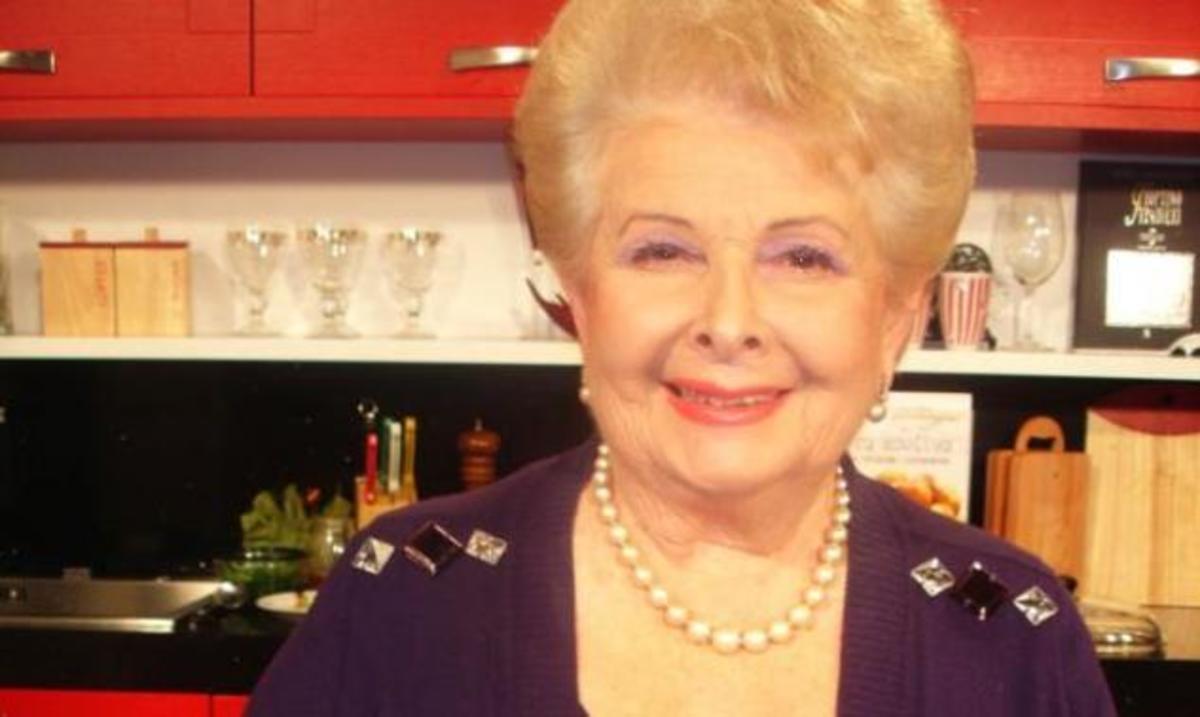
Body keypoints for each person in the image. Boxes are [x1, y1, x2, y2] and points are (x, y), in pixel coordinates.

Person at [250, 0, 1116, 714]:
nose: (729, 322)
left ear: (896, 318)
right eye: (663, 250)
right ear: (579, 291)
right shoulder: (401, 600)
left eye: (804, 257)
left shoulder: (1013, 639)